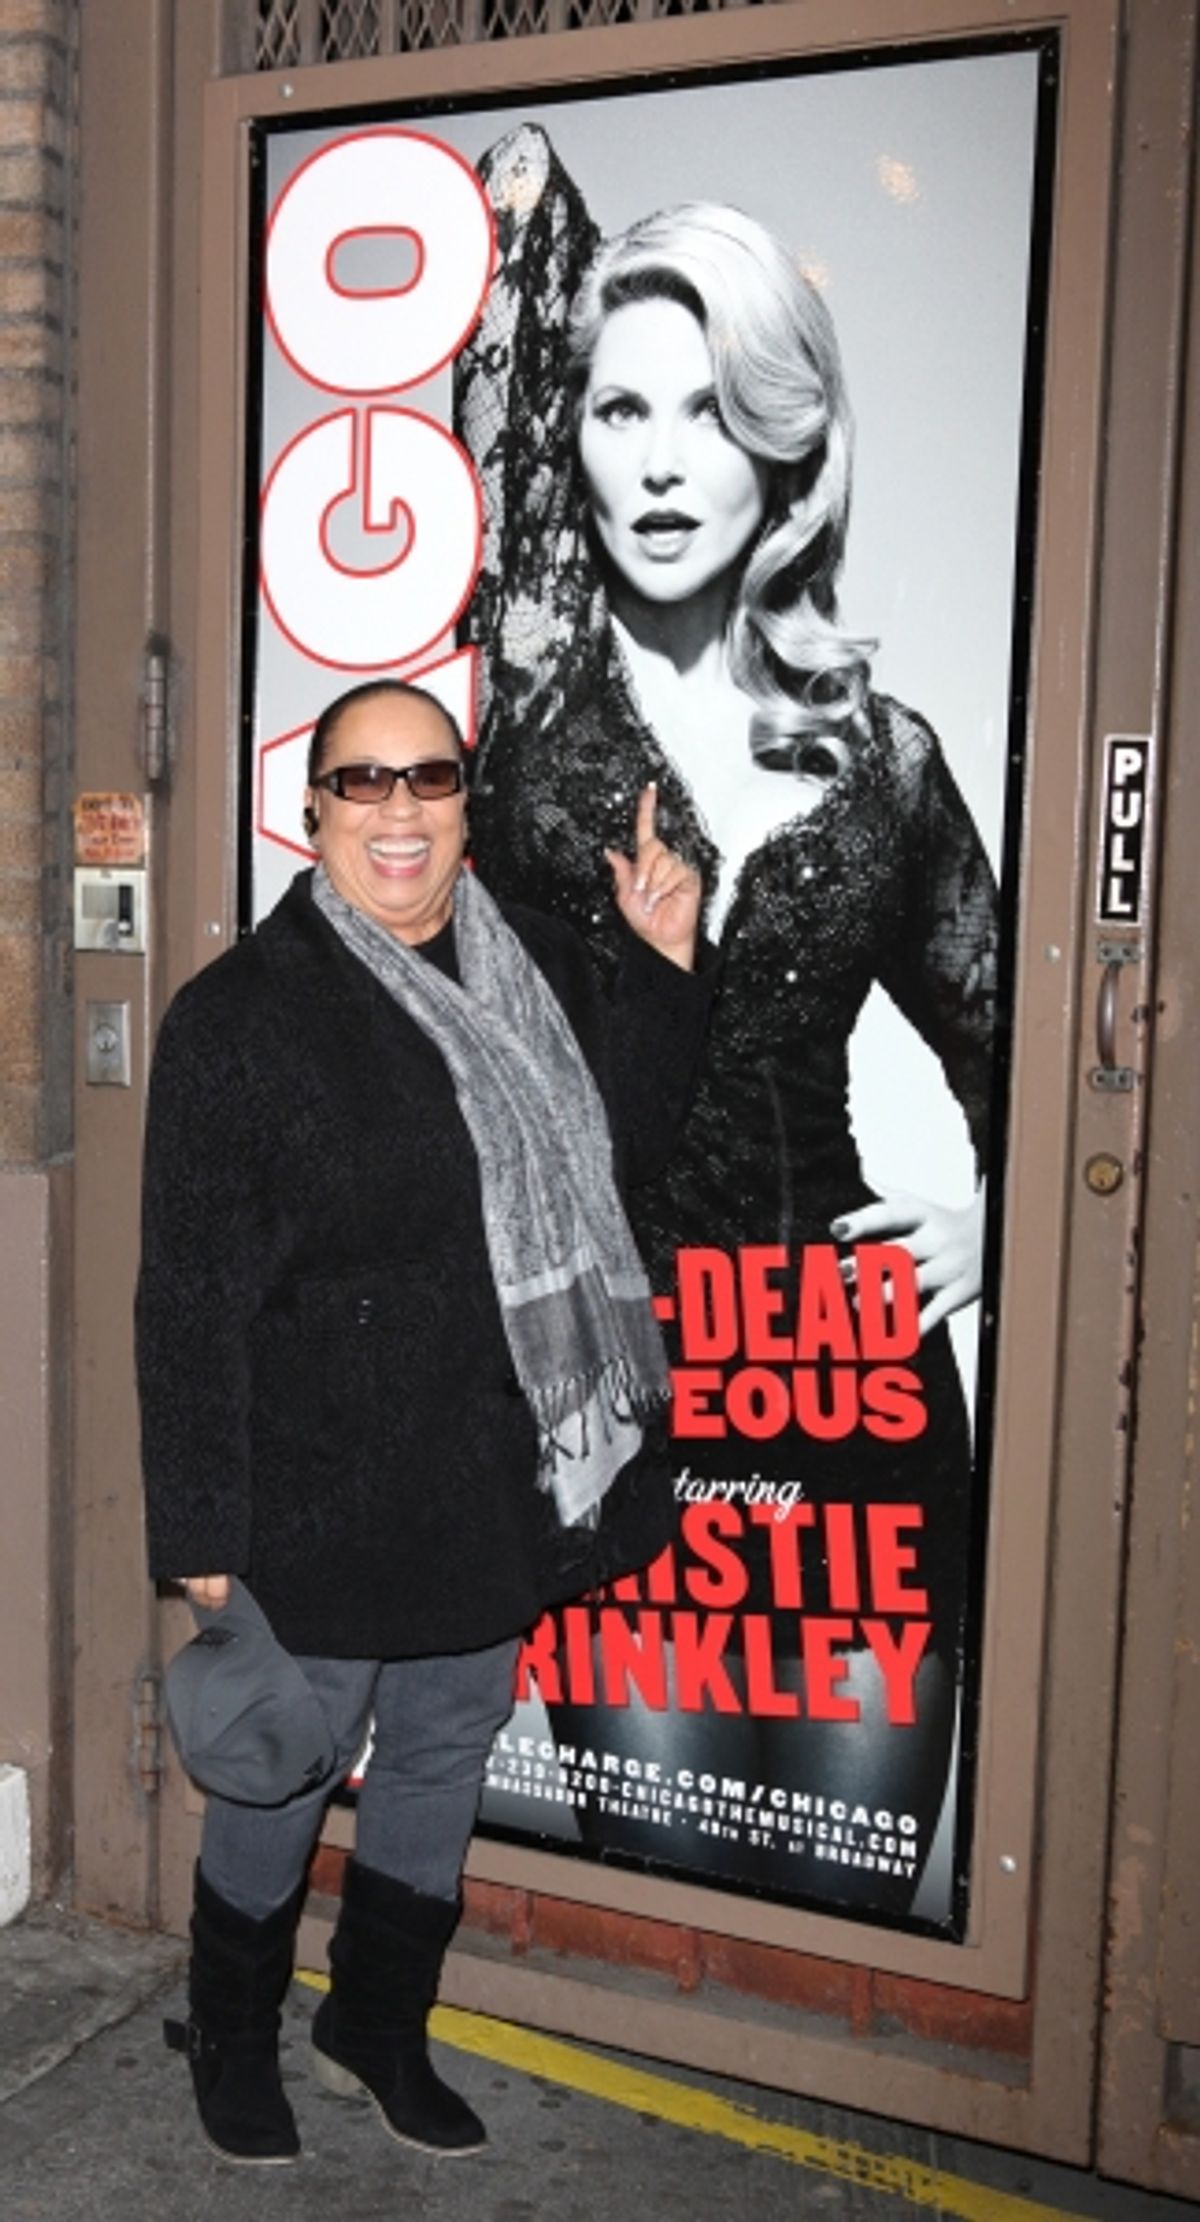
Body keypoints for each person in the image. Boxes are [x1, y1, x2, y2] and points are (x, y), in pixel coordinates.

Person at [459, 125, 998, 1918]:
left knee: (843, 1883)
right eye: (622, 410)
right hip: (625, 1394)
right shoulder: (529, 749)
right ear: (576, 446)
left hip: (851, 1388)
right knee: (672, 1868)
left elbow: (1036, 1060)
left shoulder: (885, 757)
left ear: (785, 439)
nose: (667, 459)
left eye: (714, 406)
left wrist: (992, 1223)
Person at [136, 676, 706, 2165]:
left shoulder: (527, 971)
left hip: (483, 1466)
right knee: (280, 1765)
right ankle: (238, 2032)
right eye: (363, 781)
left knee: (447, 1745)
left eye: (429, 779)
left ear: (462, 802)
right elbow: (185, 1293)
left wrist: (657, 964)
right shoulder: (238, 1017)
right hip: (317, 1484)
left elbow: (625, 1141)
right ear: (311, 809)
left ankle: (379, 2020)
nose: (400, 809)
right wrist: (200, 1527)